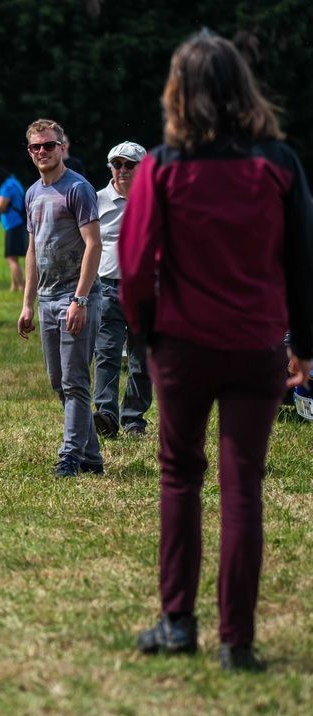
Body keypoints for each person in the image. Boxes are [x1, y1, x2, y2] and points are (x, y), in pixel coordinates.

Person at [120, 30, 313, 672]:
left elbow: (135, 268)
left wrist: (147, 336)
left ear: (180, 91)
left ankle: (178, 623)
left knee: (180, 478)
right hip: (257, 345)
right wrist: (304, 349)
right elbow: (303, 264)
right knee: (243, 490)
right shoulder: (280, 163)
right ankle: (238, 642)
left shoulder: (162, 166)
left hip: (180, 346)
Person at [16, 118, 104, 478]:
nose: (42, 152)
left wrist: (80, 300)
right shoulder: (32, 193)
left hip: (76, 297)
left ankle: (69, 456)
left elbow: (94, 245)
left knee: (75, 382)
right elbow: (33, 250)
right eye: (36, 147)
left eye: (48, 146)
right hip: (47, 299)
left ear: (61, 147)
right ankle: (92, 459)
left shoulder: (78, 189)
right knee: (60, 383)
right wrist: (26, 303)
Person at [92, 141, 152, 438]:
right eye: (117, 164)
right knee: (107, 353)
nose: (123, 170)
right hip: (107, 288)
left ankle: (134, 419)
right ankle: (105, 416)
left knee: (143, 358)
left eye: (130, 165)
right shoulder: (97, 199)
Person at [0, 165, 28, 292]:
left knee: (11, 258)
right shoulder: (14, 182)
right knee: (14, 256)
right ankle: (13, 286)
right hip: (20, 222)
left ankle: (20, 287)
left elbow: (0, 207)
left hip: (13, 224)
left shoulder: (6, 187)